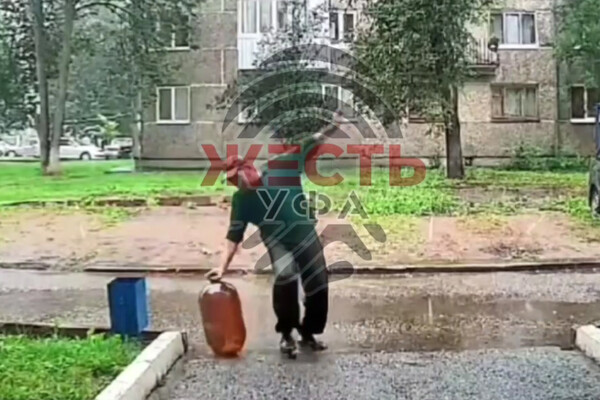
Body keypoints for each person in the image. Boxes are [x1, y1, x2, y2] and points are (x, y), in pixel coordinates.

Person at [206, 111, 344, 354]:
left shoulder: (281, 167)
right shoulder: (241, 200)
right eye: (231, 181)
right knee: (285, 276)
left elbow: (309, 143)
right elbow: (233, 237)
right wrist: (221, 267)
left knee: (318, 283)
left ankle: (308, 332)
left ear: (247, 169)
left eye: (236, 178)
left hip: (305, 234)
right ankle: (287, 334)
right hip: (277, 240)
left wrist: (332, 126)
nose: (236, 184)